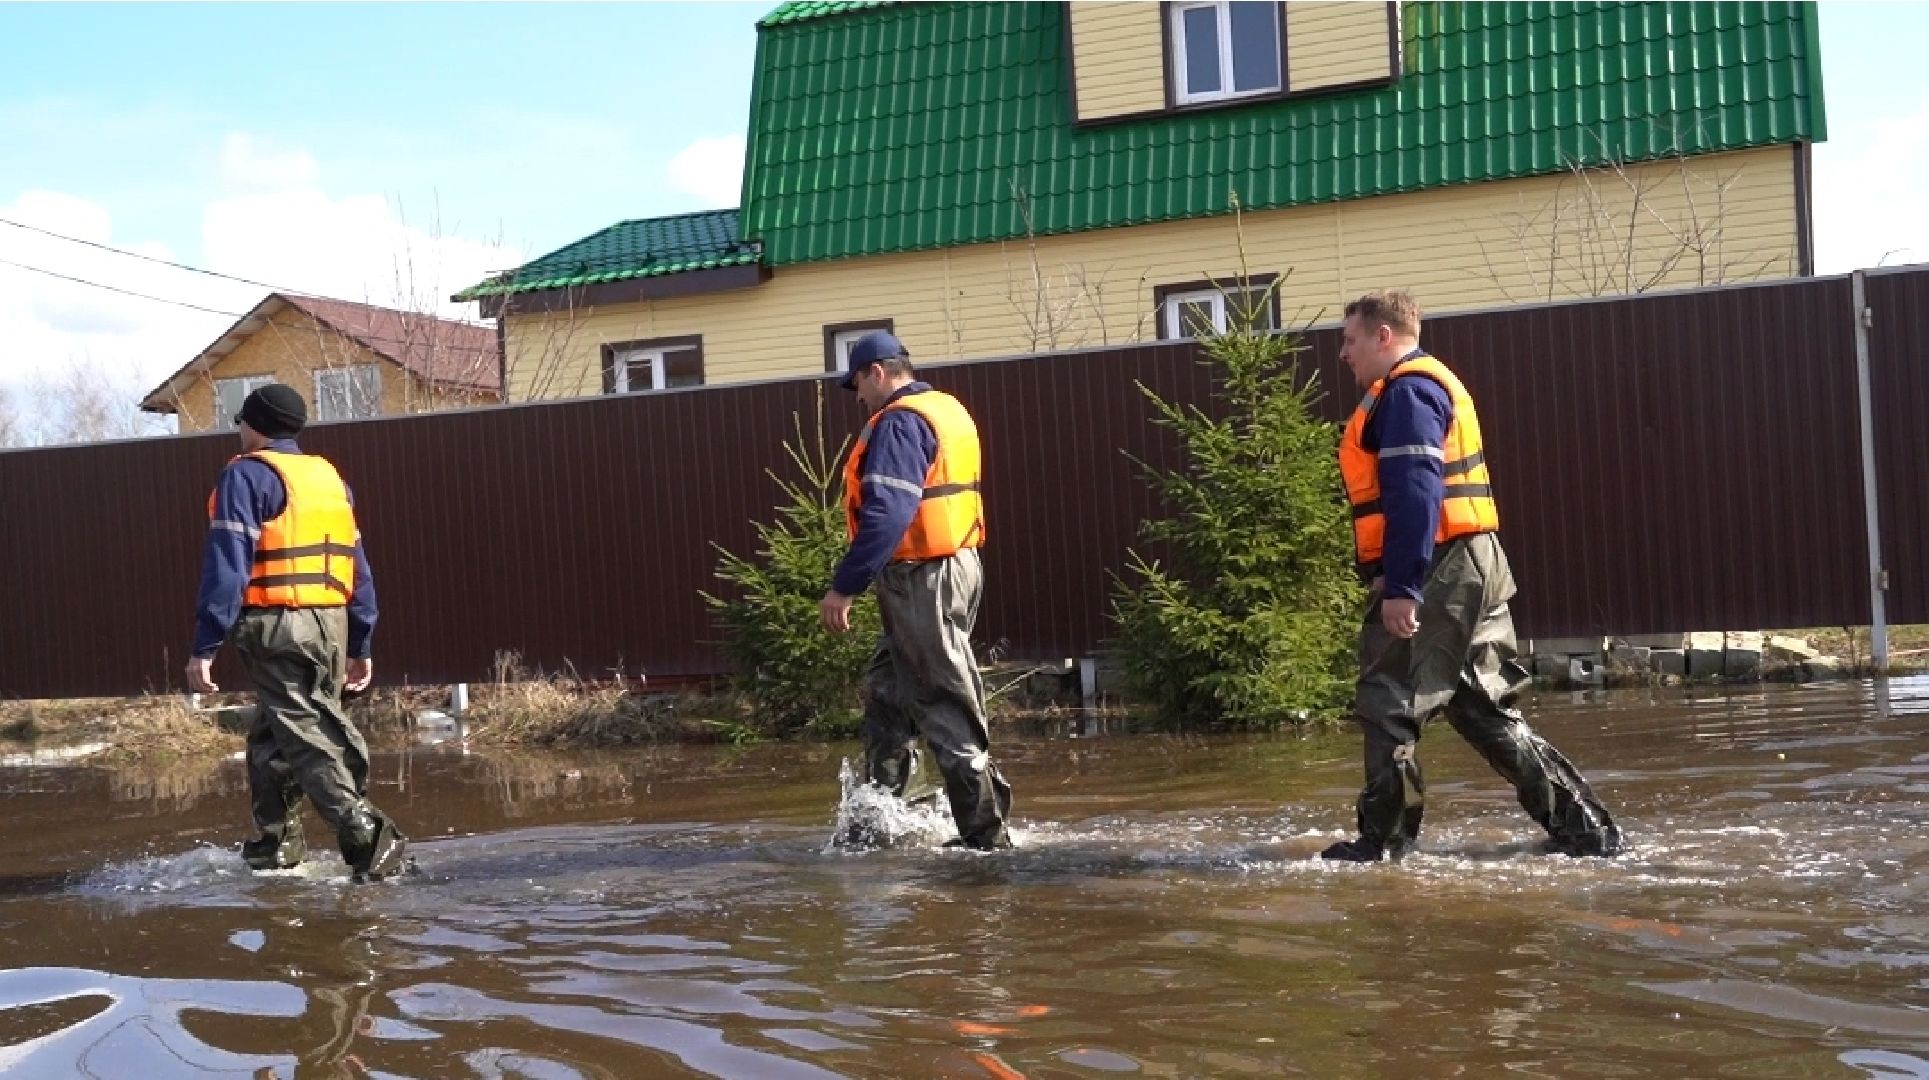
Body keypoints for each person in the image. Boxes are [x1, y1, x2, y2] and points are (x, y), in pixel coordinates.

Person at [1322, 290, 1624, 862]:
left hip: (1439, 567)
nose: (1344, 353)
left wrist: (1403, 585)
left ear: (1384, 336)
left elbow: (1416, 491)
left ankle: (1383, 844)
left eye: (1350, 339)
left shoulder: (1408, 392)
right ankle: (1585, 831)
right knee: (1483, 706)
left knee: (1389, 700)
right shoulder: (1432, 385)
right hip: (1475, 559)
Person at [185, 382, 409, 881]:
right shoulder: (329, 478)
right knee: (274, 736)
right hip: (329, 622)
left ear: (256, 425)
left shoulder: (246, 475)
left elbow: (228, 564)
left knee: (306, 733)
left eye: (242, 420)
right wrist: (360, 639)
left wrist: (204, 645)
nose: (239, 429)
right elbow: (357, 564)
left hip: (279, 624)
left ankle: (372, 843)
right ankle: (274, 852)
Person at [819, 330, 1014, 850]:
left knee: (941, 699)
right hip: (949, 567)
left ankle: (986, 841)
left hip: (925, 577)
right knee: (888, 694)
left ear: (877, 373)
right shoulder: (944, 409)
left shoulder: (901, 422)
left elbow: (888, 512)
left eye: (857, 383)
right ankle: (875, 824)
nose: (857, 397)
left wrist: (845, 587)